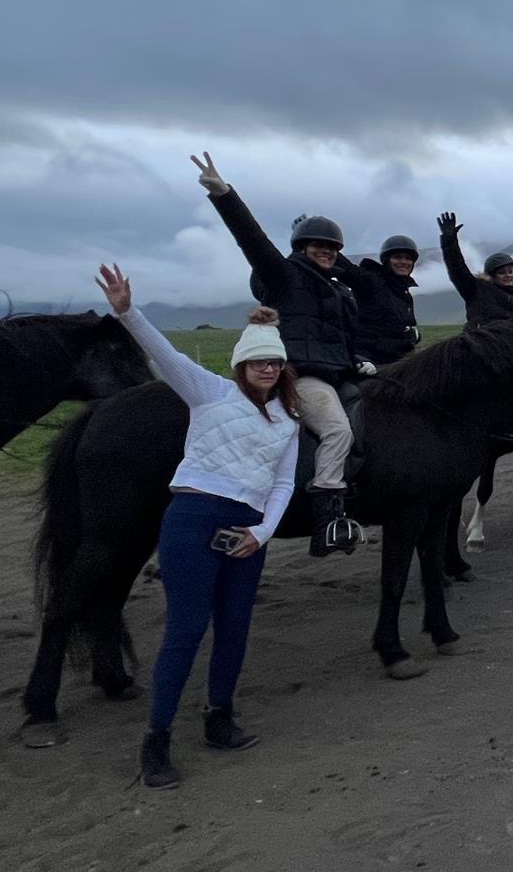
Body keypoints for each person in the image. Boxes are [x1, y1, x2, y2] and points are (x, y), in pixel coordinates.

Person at [95, 264, 298, 791]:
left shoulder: (289, 422)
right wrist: (128, 312)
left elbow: (282, 486)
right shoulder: (208, 392)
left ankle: (218, 717)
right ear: (240, 364)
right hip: (192, 518)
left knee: (234, 629)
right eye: (258, 360)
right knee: (186, 631)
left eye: (275, 360)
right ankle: (156, 740)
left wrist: (263, 533)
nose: (268, 368)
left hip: (247, 532)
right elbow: (168, 355)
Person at [192, 152, 365, 556]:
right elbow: (254, 242)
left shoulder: (340, 291)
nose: (325, 251)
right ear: (301, 248)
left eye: (331, 247)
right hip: (304, 376)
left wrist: (358, 361)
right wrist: (225, 196)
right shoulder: (285, 276)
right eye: (317, 245)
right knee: (338, 430)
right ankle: (327, 520)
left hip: (340, 373)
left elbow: (340, 337)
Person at [437, 211, 513, 325]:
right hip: (481, 340)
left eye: (510, 271)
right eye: (502, 272)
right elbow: (457, 268)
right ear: (491, 275)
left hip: (511, 342)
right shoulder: (477, 290)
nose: (508, 275)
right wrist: (449, 239)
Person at [354, 235, 421, 366]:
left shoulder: (404, 293)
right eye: (397, 257)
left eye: (408, 258)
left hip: (397, 361)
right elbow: (348, 272)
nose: (404, 261)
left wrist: (413, 335)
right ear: (386, 260)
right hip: (369, 362)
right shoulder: (371, 282)